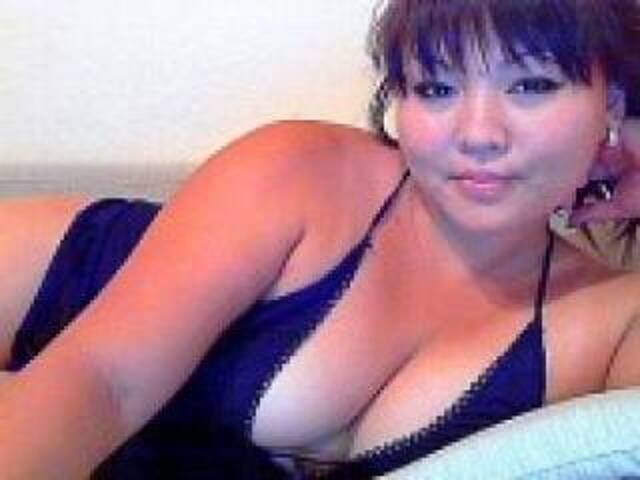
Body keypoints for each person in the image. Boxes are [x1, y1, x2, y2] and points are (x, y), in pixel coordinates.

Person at [1, 0, 640, 478]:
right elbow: (102, 381)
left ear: (612, 103)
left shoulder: (611, 319)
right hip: (52, 304)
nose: (478, 134)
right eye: (436, 88)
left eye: (532, 85)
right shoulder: (305, 170)